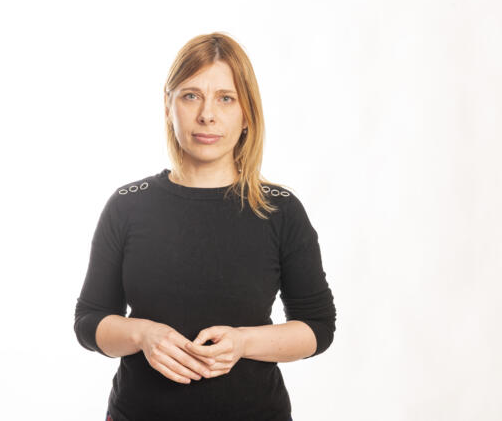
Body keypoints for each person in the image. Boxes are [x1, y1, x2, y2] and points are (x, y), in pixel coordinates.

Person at [74, 32, 336, 421]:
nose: (207, 115)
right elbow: (89, 321)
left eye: (225, 98)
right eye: (191, 96)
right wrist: (143, 335)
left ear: (247, 113)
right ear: (168, 106)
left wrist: (243, 342)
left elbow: (318, 327)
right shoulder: (128, 205)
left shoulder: (279, 210)